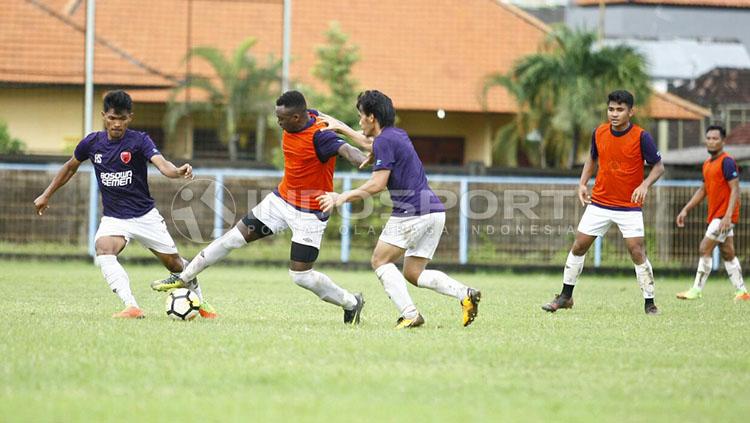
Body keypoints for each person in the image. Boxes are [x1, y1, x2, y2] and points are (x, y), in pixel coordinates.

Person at [151, 90, 368, 324]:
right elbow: (320, 117)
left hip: (309, 214)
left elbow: (348, 151)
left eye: (281, 119)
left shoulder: (321, 137)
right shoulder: (309, 115)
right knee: (231, 238)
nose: (278, 122)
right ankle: (183, 277)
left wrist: (363, 158)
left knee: (301, 276)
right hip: (280, 202)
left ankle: (351, 302)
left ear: (296, 118)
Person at [33, 90, 216, 319]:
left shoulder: (140, 141)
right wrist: (46, 194)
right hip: (114, 218)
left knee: (175, 264)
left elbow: (162, 164)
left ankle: (202, 304)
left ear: (130, 118)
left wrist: (177, 171)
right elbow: (70, 167)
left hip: (145, 216)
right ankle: (131, 306)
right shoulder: (92, 143)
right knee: (103, 248)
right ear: (103, 116)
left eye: (121, 119)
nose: (116, 124)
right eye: (112, 118)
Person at [317, 90, 481, 329]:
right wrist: (341, 127)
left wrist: (340, 197)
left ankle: (410, 313)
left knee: (379, 260)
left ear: (371, 117)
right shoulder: (396, 135)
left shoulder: (384, 141)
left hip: (412, 212)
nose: (360, 121)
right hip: (434, 211)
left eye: (361, 116)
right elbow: (367, 143)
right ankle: (465, 294)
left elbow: (377, 183)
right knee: (413, 273)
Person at [541, 90, 664, 315]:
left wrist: (644, 185)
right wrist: (582, 183)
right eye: (611, 109)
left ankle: (650, 303)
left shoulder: (641, 136)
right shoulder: (599, 132)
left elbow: (658, 166)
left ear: (631, 112)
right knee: (578, 246)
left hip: (628, 206)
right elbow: (592, 158)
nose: (614, 114)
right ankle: (565, 296)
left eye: (620, 109)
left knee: (636, 251)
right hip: (599, 203)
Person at [675, 125, 750, 301]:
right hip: (718, 216)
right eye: (708, 138)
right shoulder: (707, 164)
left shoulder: (727, 161)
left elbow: (735, 189)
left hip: (724, 217)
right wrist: (686, 209)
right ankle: (742, 292)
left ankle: (696, 290)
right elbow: (703, 190)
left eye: (715, 138)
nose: (711, 141)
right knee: (728, 253)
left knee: (704, 248)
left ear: (723, 141)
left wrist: (727, 216)